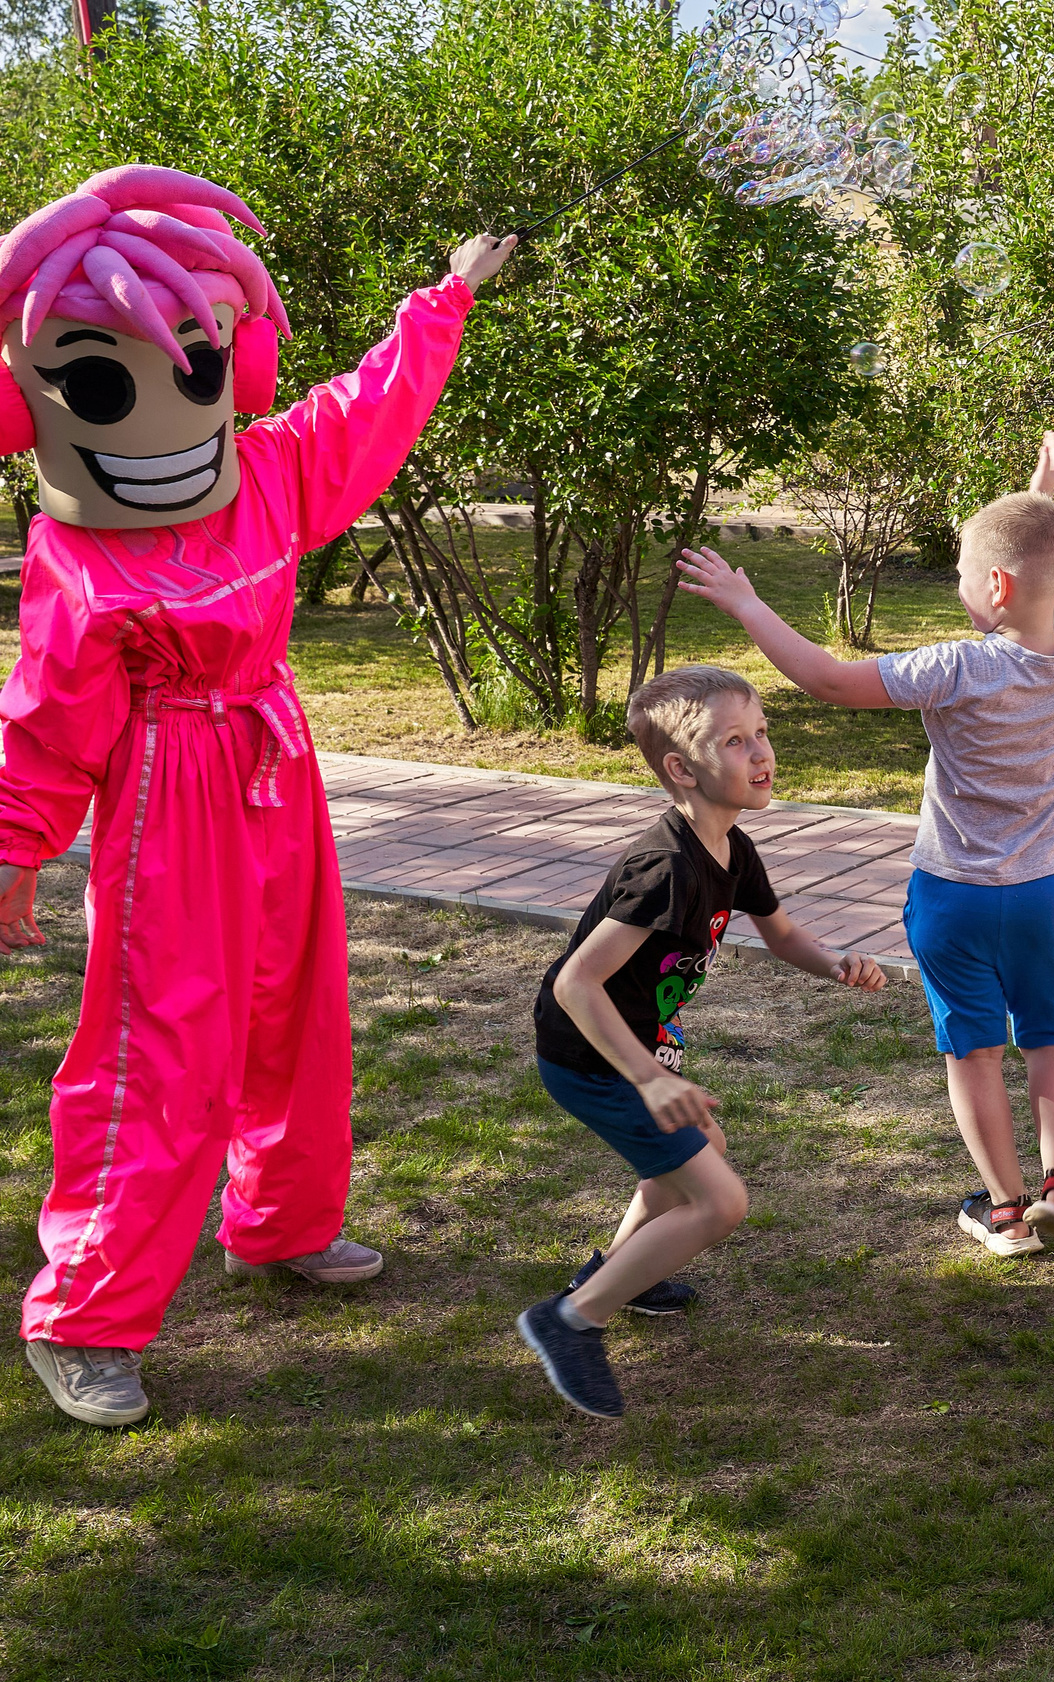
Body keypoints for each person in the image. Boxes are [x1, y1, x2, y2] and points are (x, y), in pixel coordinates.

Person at [0, 163, 515, 1429]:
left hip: (273, 760)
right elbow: (52, 713)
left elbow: (363, 414)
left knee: (296, 1007)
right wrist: (17, 848)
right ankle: (84, 1317)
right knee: (161, 1047)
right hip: (165, 789)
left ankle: (280, 1223)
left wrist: (441, 303)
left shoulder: (271, 472)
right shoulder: (79, 548)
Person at [676, 435, 1054, 1258]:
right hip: (1045, 892)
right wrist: (1041, 502)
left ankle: (1006, 1211)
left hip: (954, 897)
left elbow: (827, 679)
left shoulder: (956, 668)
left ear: (995, 587)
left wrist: (747, 604)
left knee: (973, 1051)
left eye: (961, 573)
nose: (957, 585)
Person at [518, 666, 887, 1419]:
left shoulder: (731, 848)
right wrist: (649, 1077)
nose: (762, 752)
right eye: (735, 741)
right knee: (720, 1202)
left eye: (762, 733)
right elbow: (576, 983)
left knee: (697, 1156)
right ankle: (571, 1320)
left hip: (638, 1049)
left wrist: (834, 964)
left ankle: (617, 1273)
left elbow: (781, 934)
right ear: (683, 770)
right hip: (593, 1056)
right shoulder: (665, 868)